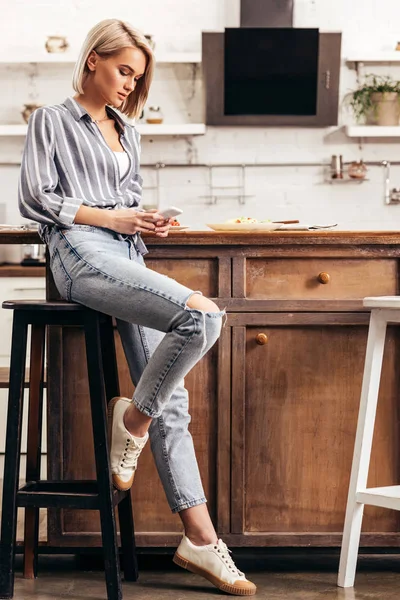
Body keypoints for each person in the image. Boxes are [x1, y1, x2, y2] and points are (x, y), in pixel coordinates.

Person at [18, 18, 256, 597]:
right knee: (204, 315)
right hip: (80, 254)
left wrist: (147, 218)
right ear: (94, 59)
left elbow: (125, 204)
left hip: (128, 253)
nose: (129, 84)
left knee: (172, 400)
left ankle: (199, 539)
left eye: (136, 76)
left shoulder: (128, 128)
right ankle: (132, 421)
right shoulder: (51, 120)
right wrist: (113, 218)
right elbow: (35, 197)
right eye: (123, 70)